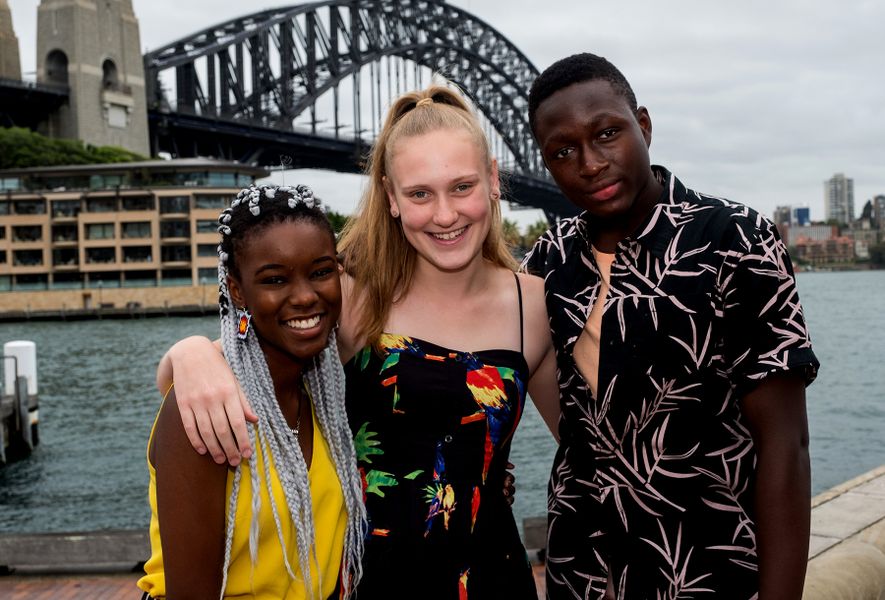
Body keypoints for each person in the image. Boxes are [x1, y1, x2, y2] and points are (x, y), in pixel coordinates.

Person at [156, 83, 560, 599]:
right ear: (391, 197)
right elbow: (195, 373)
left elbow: (591, 451)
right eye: (419, 193)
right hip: (369, 579)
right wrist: (190, 352)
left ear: (493, 180)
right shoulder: (350, 292)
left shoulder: (536, 307)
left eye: (462, 187)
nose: (444, 214)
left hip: (490, 578)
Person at [523, 53, 820, 599]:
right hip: (584, 575)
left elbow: (785, 444)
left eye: (607, 133)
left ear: (644, 125)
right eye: (563, 151)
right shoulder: (548, 261)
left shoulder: (735, 240)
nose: (589, 163)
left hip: (710, 573)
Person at [137, 185, 366, 599]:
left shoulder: (324, 399)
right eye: (275, 279)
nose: (305, 296)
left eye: (320, 271)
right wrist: (190, 350)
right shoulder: (205, 409)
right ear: (237, 290)